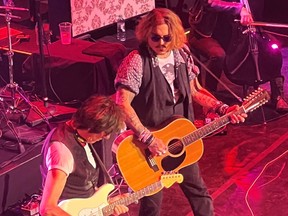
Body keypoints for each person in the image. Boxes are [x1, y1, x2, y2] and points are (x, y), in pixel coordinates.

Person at [114, 8, 247, 216]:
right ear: (146, 34)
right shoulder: (136, 61)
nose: (161, 43)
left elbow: (194, 90)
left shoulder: (181, 54)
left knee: (199, 194)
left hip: (180, 139)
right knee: (151, 206)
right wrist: (149, 139)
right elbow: (122, 103)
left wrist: (222, 108)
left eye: (167, 37)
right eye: (155, 37)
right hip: (147, 147)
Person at [188, 0, 288, 112]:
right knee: (218, 55)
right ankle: (210, 96)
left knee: (271, 50)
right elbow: (210, 2)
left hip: (237, 33)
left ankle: (278, 96)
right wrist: (239, 8)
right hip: (209, 34)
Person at [39, 95, 129, 216]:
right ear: (92, 126)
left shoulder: (80, 136)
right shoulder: (62, 151)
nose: (107, 137)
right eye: (106, 132)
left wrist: (106, 204)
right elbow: (48, 209)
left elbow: (82, 194)